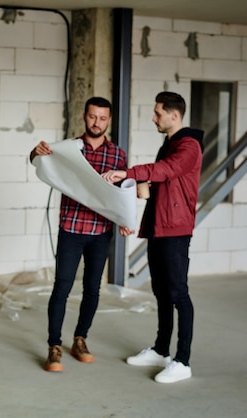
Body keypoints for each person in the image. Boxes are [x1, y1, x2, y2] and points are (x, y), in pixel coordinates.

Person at [102, 91, 204, 384]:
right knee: (161, 291)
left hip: (176, 230)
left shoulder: (189, 145)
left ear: (174, 115)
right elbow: (161, 180)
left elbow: (167, 170)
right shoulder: (170, 144)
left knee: (178, 293)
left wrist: (127, 173)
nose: (154, 117)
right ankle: (161, 349)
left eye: (158, 113)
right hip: (159, 227)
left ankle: (182, 360)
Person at [30, 97, 129, 372]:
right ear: (84, 116)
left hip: (101, 232)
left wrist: (124, 219)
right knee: (61, 287)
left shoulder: (118, 155)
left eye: (103, 118)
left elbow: (122, 194)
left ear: (109, 120)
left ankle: (80, 339)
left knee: (92, 289)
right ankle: (54, 345)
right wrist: (35, 152)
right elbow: (38, 162)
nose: (97, 123)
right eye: (92, 117)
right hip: (71, 229)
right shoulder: (67, 149)